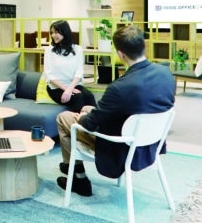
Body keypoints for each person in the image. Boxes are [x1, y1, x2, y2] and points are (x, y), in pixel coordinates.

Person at [54, 24, 175, 197]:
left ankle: (78, 178)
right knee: (87, 107)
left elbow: (90, 124)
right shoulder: (165, 73)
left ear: (120, 54)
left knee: (64, 118)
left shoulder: (120, 87)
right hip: (151, 142)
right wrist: (88, 112)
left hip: (120, 146)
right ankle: (70, 166)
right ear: (143, 46)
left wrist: (81, 117)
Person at [43, 20, 96, 112]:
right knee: (78, 97)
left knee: (89, 96)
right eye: (52, 32)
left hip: (73, 85)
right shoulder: (49, 50)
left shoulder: (77, 49)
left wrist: (70, 88)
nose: (53, 35)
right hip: (56, 88)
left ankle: (96, 120)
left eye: (56, 32)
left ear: (65, 32)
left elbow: (79, 72)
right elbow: (49, 75)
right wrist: (66, 89)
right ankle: (76, 121)